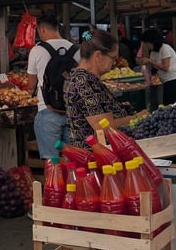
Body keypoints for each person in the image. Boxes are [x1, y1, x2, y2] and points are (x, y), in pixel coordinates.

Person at [26, 11, 80, 159]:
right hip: (73, 113)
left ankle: (54, 183)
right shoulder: (76, 50)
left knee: (52, 163)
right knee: (73, 161)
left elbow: (31, 84)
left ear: (42, 29)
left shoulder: (37, 50)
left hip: (47, 111)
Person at [64, 29, 130, 148]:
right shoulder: (83, 81)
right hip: (96, 156)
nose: (114, 63)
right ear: (98, 56)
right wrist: (136, 118)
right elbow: (104, 128)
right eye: (113, 58)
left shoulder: (81, 77)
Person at [139, 28, 176, 105]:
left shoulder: (165, 48)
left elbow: (165, 67)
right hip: (164, 81)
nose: (146, 45)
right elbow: (153, 67)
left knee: (169, 104)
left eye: (147, 43)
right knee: (165, 103)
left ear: (152, 41)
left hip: (173, 80)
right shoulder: (153, 52)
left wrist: (150, 61)